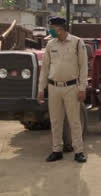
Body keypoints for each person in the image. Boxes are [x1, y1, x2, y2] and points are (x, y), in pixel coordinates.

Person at [37, 17, 88, 163]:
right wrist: (41, 88)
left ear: (60, 28)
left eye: (52, 27)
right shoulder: (50, 44)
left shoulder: (77, 43)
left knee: (74, 121)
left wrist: (82, 88)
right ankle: (56, 150)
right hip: (54, 88)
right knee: (55, 121)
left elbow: (83, 67)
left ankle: (78, 151)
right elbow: (45, 68)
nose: (50, 30)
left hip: (71, 87)